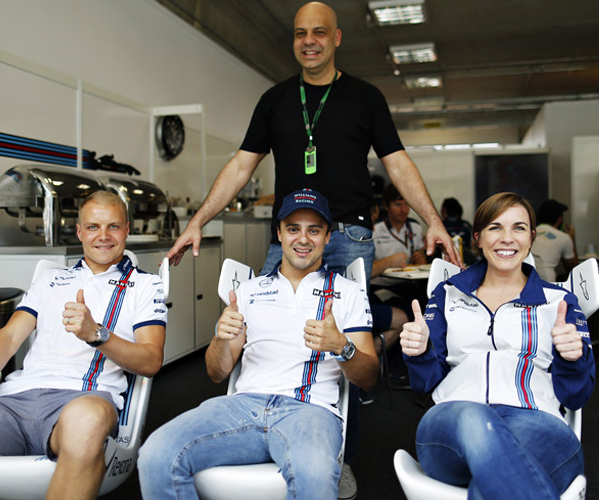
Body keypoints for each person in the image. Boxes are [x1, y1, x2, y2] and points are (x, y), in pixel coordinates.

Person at [164, 4, 460, 495]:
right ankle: (258, 437)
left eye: (319, 32)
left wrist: (433, 220)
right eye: (300, 33)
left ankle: (333, 457)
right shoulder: (276, 99)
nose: (309, 41)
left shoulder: (364, 97)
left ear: (337, 38)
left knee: (347, 347)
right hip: (291, 233)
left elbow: (398, 162)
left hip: (349, 235)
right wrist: (198, 220)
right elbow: (240, 166)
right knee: (260, 332)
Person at [0, 191, 166, 500]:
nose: (103, 236)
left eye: (113, 227)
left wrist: (96, 334)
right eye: (92, 227)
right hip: (11, 404)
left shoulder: (146, 285)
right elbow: (8, 338)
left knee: (87, 420)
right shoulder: (50, 279)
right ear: (79, 231)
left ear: (127, 229)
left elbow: (151, 360)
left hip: (81, 401)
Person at [138, 189, 378, 500]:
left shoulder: (349, 292)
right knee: (156, 454)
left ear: (328, 237)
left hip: (309, 411)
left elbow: (369, 377)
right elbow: (217, 372)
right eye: (293, 229)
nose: (303, 239)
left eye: (314, 230)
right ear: (279, 234)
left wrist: (341, 346)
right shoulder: (249, 291)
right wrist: (221, 340)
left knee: (315, 474)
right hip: (242, 406)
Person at [400, 192, 594, 499]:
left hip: (537, 420)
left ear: (532, 238)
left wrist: (574, 358)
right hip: (453, 422)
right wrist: (419, 352)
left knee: (493, 480)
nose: (507, 238)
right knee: (476, 419)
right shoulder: (447, 294)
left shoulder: (558, 302)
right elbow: (424, 384)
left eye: (518, 228)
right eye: (495, 227)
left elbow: (577, 395)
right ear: (477, 238)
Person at [532, 199, 578, 282]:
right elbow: (573, 267)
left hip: (524, 277)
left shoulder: (529, 233)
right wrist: (572, 237)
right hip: (547, 279)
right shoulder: (563, 237)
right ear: (560, 219)